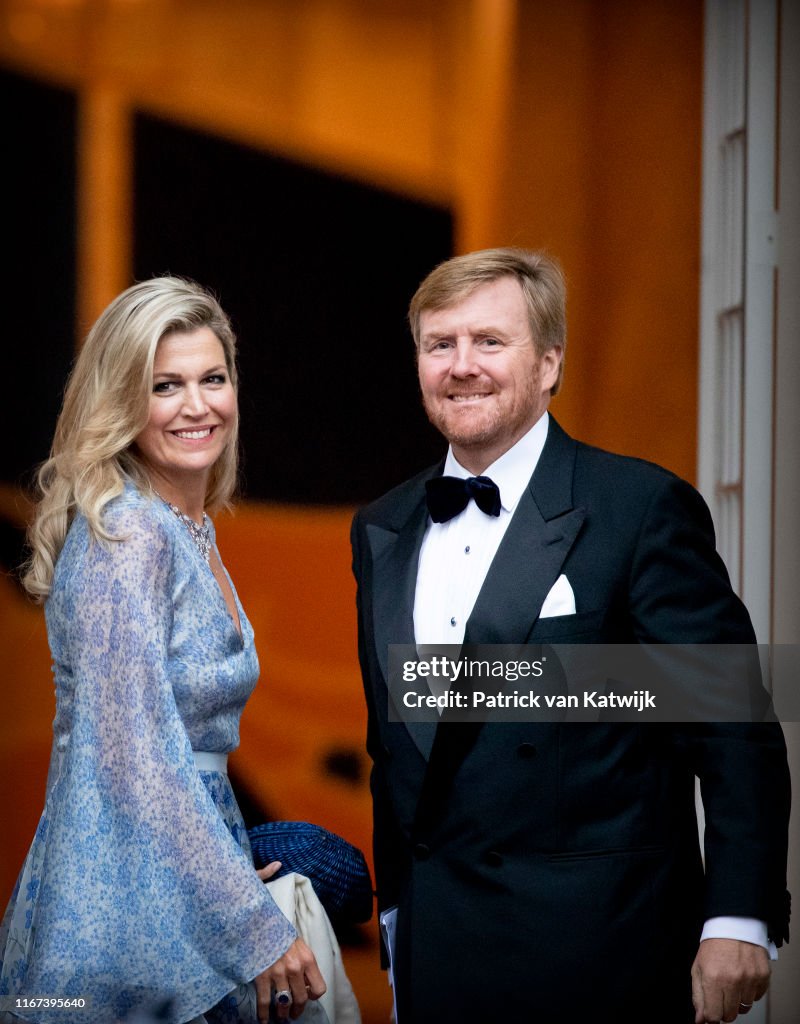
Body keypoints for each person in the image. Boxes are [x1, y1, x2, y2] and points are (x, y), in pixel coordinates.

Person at [350, 248, 791, 1024]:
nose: (462, 366)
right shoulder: (380, 525)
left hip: (600, 958)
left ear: (549, 363)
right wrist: (396, 921)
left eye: (490, 342)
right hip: (438, 960)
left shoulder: (639, 506)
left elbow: (731, 724)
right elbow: (393, 747)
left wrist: (738, 916)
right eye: (439, 344)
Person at [0, 277, 329, 1024]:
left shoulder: (183, 526)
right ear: (122, 402)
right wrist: (252, 926)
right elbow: (135, 754)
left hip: (174, 885)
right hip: (116, 920)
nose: (197, 405)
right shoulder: (129, 533)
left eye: (213, 379)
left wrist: (229, 861)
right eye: (165, 385)